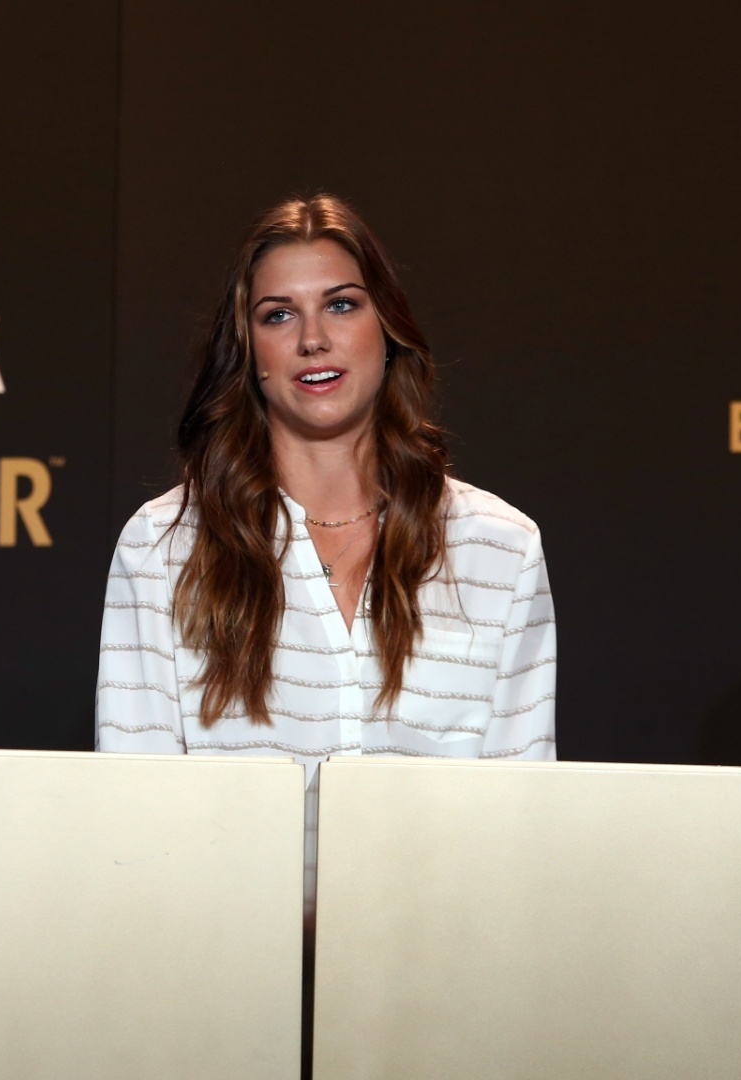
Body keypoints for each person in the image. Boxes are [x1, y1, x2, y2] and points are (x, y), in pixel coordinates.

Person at [95, 194, 558, 900]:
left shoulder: (500, 548)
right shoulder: (162, 547)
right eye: (278, 315)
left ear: (387, 329)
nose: (313, 338)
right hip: (224, 951)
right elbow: (135, 825)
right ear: (248, 352)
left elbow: (522, 825)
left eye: (341, 305)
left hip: (436, 952)